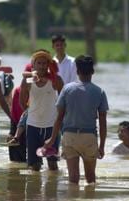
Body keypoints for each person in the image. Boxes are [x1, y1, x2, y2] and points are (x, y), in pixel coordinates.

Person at [45, 55, 108, 183]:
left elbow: (59, 117)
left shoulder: (67, 89)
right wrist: (101, 146)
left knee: (73, 178)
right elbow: (103, 123)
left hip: (69, 136)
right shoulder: (99, 92)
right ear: (93, 72)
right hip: (89, 136)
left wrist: (52, 139)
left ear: (77, 72)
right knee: (91, 179)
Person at [21, 50, 64, 171]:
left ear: (48, 65)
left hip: (52, 126)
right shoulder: (28, 80)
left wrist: (60, 119)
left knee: (52, 165)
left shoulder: (56, 80)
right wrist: (29, 112)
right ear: (33, 65)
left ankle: (52, 188)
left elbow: (64, 100)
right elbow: (21, 100)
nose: (42, 66)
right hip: (33, 126)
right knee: (34, 166)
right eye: (39, 63)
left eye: (44, 63)